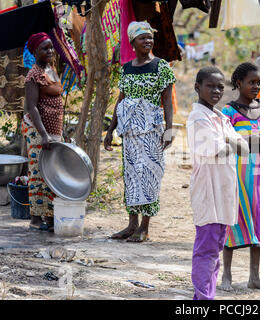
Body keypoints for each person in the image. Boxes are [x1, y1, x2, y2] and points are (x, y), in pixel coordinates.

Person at [104, 21, 175, 242]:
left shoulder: (161, 66)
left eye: (149, 37)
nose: (148, 41)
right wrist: (110, 129)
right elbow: (121, 99)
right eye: (142, 37)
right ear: (132, 41)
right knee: (131, 176)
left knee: (150, 174)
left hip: (151, 131)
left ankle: (144, 226)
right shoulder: (126, 68)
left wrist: (169, 129)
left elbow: (167, 101)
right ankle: (131, 224)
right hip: (130, 132)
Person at [187, 66, 249, 300]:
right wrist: (229, 141)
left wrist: (229, 141)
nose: (216, 90)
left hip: (222, 192)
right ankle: (203, 298)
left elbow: (243, 147)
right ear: (197, 87)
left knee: (215, 250)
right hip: (208, 191)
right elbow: (218, 149)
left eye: (220, 86)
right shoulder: (197, 118)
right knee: (207, 250)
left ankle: (204, 296)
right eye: (210, 85)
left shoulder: (220, 117)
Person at [220, 63, 260, 293]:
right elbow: (225, 141)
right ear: (239, 83)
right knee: (232, 220)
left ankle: (254, 276)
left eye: (258, 83)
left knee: (258, 220)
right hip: (237, 174)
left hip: (259, 175)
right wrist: (250, 142)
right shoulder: (229, 111)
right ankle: (226, 275)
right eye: (251, 82)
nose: (256, 86)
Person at [23, 32, 63, 232]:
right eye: (44, 48)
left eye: (50, 47)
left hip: (53, 130)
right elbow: (32, 107)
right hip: (38, 131)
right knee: (38, 174)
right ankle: (36, 218)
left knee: (52, 174)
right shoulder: (33, 75)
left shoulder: (52, 69)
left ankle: (49, 216)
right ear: (35, 52)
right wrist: (44, 134)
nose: (49, 51)